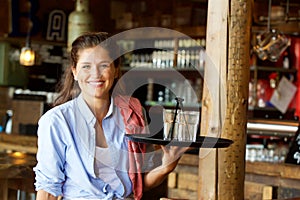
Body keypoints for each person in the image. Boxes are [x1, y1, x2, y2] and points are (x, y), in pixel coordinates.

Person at [34, 32, 187, 200]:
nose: (96, 74)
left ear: (115, 71)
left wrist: (166, 165)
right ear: (75, 72)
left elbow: (139, 183)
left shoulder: (133, 114)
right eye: (86, 66)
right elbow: (48, 189)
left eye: (104, 65)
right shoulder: (57, 121)